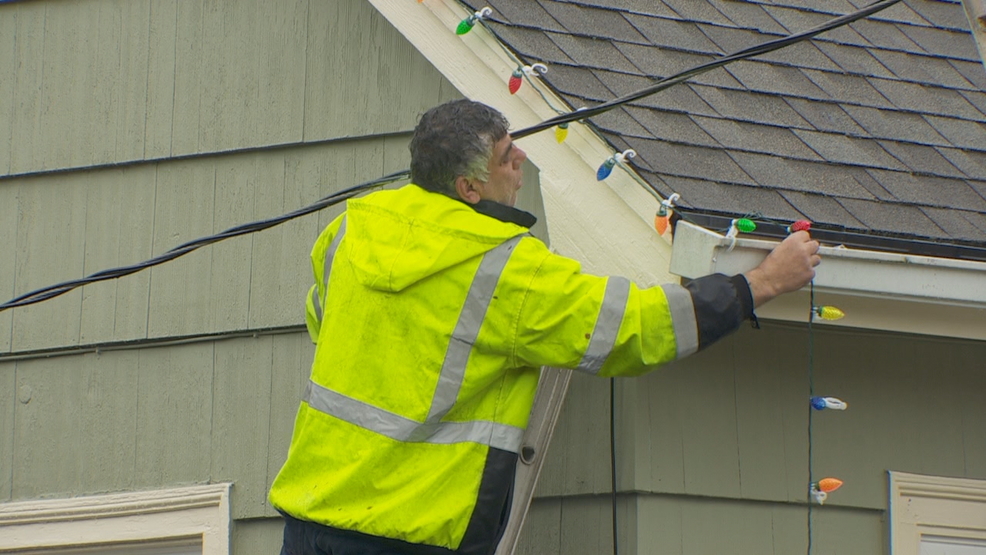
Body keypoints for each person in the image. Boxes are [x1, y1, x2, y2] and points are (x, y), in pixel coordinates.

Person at [269, 99, 820, 555]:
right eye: (507, 156)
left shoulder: (350, 231)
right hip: (413, 535)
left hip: (311, 522)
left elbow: (325, 321)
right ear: (467, 188)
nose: (522, 159)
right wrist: (763, 282)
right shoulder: (506, 271)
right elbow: (638, 328)